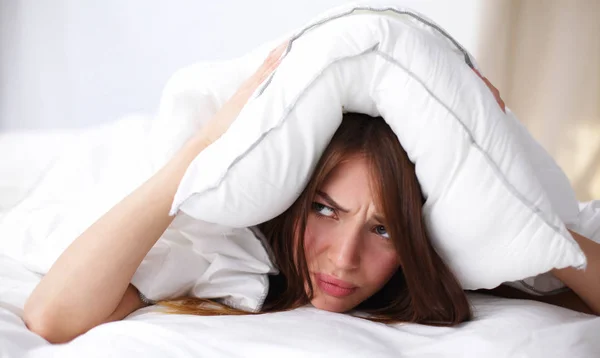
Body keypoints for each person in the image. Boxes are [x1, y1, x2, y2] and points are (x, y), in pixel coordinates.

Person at [23, 42, 600, 344]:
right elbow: (53, 318)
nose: (343, 259)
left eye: (383, 230)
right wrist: (204, 145)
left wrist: (506, 190)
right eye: (326, 210)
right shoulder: (225, 250)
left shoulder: (458, 261)